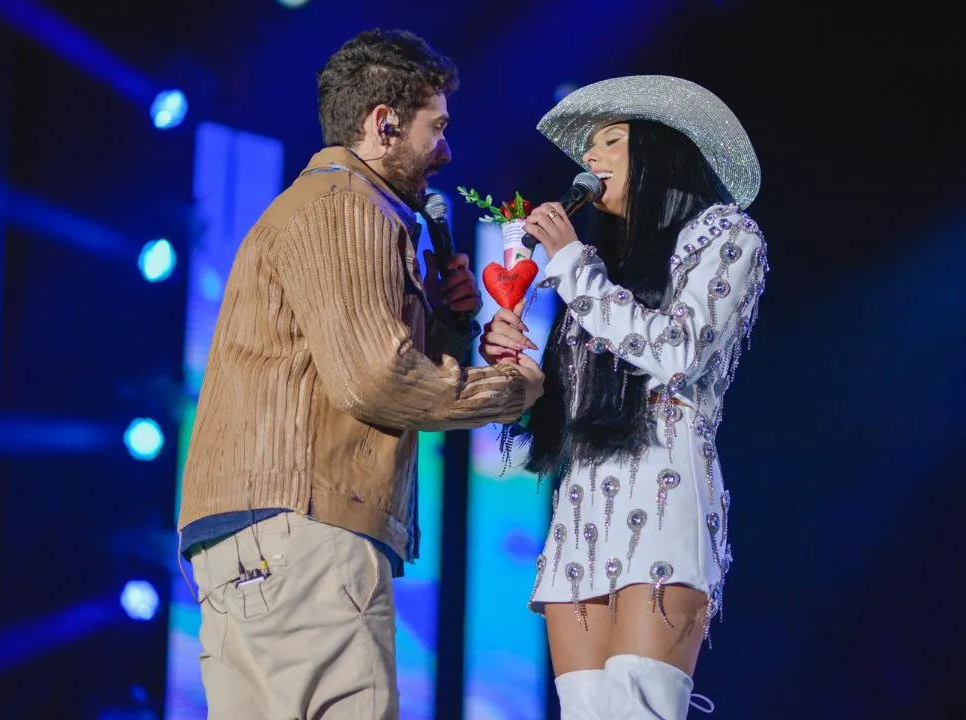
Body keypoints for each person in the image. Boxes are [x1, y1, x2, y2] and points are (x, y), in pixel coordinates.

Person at [177, 29, 544, 720]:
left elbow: (336, 366)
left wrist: (444, 321)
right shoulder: (352, 205)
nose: (448, 150)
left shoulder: (307, 207)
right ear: (384, 124)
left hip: (244, 538)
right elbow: (377, 380)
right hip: (306, 527)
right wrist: (511, 388)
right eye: (436, 129)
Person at [480, 75, 769, 718]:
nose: (590, 159)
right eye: (588, 148)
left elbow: (679, 351)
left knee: (640, 706)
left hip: (662, 498)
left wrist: (573, 266)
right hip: (580, 507)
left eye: (611, 140)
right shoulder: (600, 270)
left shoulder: (727, 234)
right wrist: (509, 360)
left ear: (665, 149)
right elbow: (560, 406)